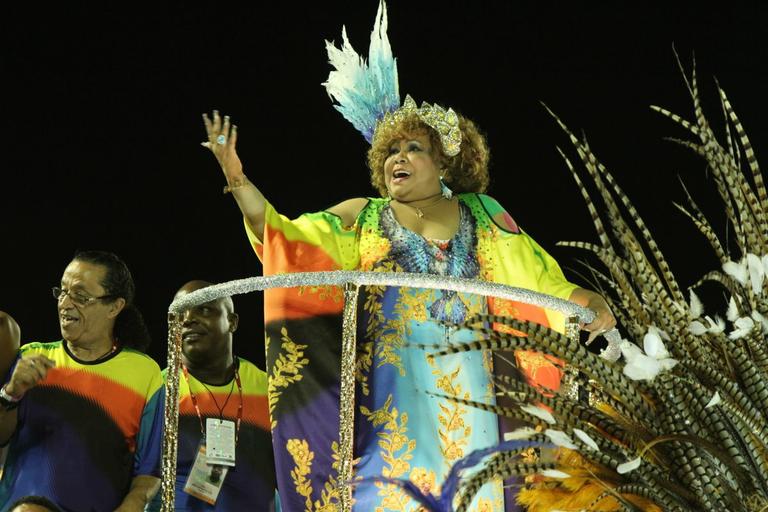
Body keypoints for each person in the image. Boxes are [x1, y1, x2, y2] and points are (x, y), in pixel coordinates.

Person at [200, 3, 615, 510]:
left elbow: (536, 279)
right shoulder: (363, 215)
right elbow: (289, 243)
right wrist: (238, 179)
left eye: (413, 147)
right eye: (391, 151)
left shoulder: (483, 213)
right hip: (395, 397)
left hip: (477, 391)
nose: (399, 158)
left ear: (443, 158)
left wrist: (587, 298)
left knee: (478, 491)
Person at [0, 250, 163, 512]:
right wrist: (10, 393)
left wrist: (132, 505)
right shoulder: (30, 357)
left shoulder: (146, 374)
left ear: (114, 306)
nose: (65, 304)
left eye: (80, 296)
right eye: (62, 292)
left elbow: (150, 471)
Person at [147, 280, 275, 511]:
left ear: (232, 322)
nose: (187, 319)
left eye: (203, 309)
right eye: (179, 314)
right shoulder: (158, 389)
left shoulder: (269, 389)